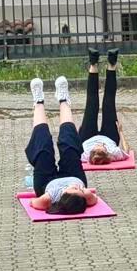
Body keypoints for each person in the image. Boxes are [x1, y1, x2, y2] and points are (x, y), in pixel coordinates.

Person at [24, 76, 100, 215]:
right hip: (73, 174)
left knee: (43, 146)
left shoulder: (50, 197)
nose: (78, 188)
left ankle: (38, 101)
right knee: (69, 142)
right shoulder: (84, 194)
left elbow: (34, 203)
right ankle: (64, 100)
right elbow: (93, 200)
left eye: (75, 190)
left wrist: (36, 202)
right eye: (81, 190)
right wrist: (85, 193)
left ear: (64, 195)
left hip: (46, 182)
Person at [81, 49, 130, 165]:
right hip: (110, 136)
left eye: (95, 150)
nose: (98, 145)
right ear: (106, 152)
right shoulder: (113, 153)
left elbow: (71, 152)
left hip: (87, 137)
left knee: (91, 104)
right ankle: (112, 63)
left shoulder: (85, 155)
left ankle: (93, 62)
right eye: (101, 149)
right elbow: (126, 150)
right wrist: (121, 132)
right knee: (109, 103)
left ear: (91, 152)